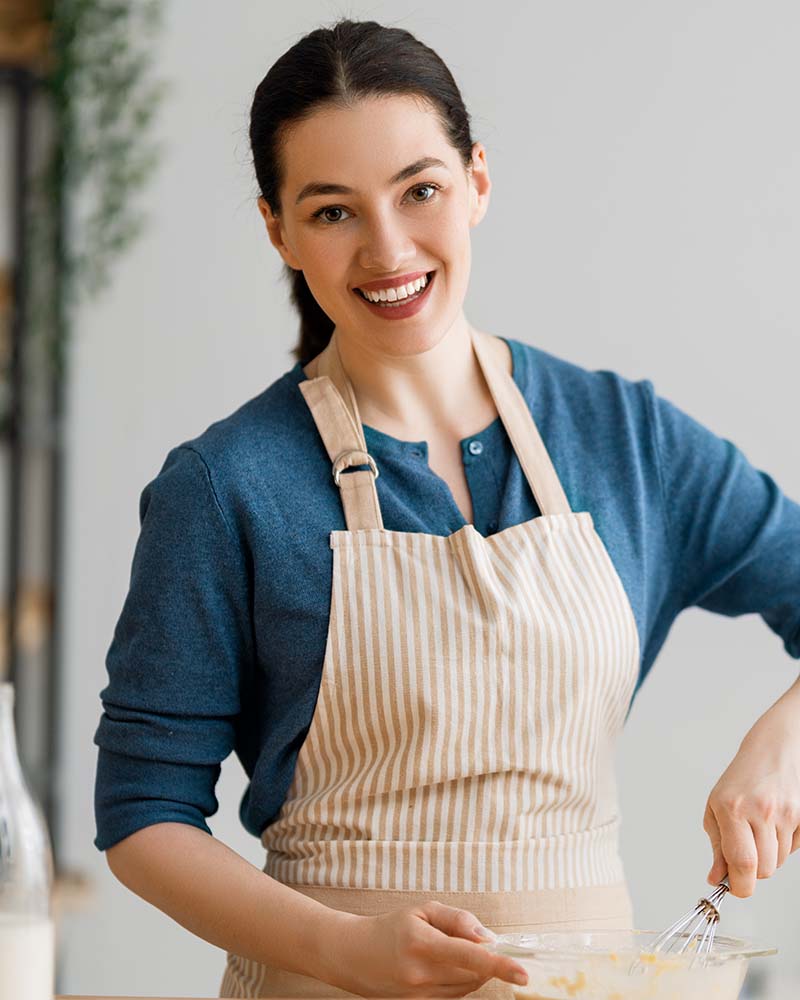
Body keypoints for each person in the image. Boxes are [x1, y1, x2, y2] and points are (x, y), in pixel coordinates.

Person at [93, 18, 800, 1000]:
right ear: (277, 228)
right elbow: (142, 816)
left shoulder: (622, 436)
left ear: (475, 181)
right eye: (332, 210)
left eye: (418, 190)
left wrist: (778, 751)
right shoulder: (226, 484)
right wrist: (344, 950)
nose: (387, 250)